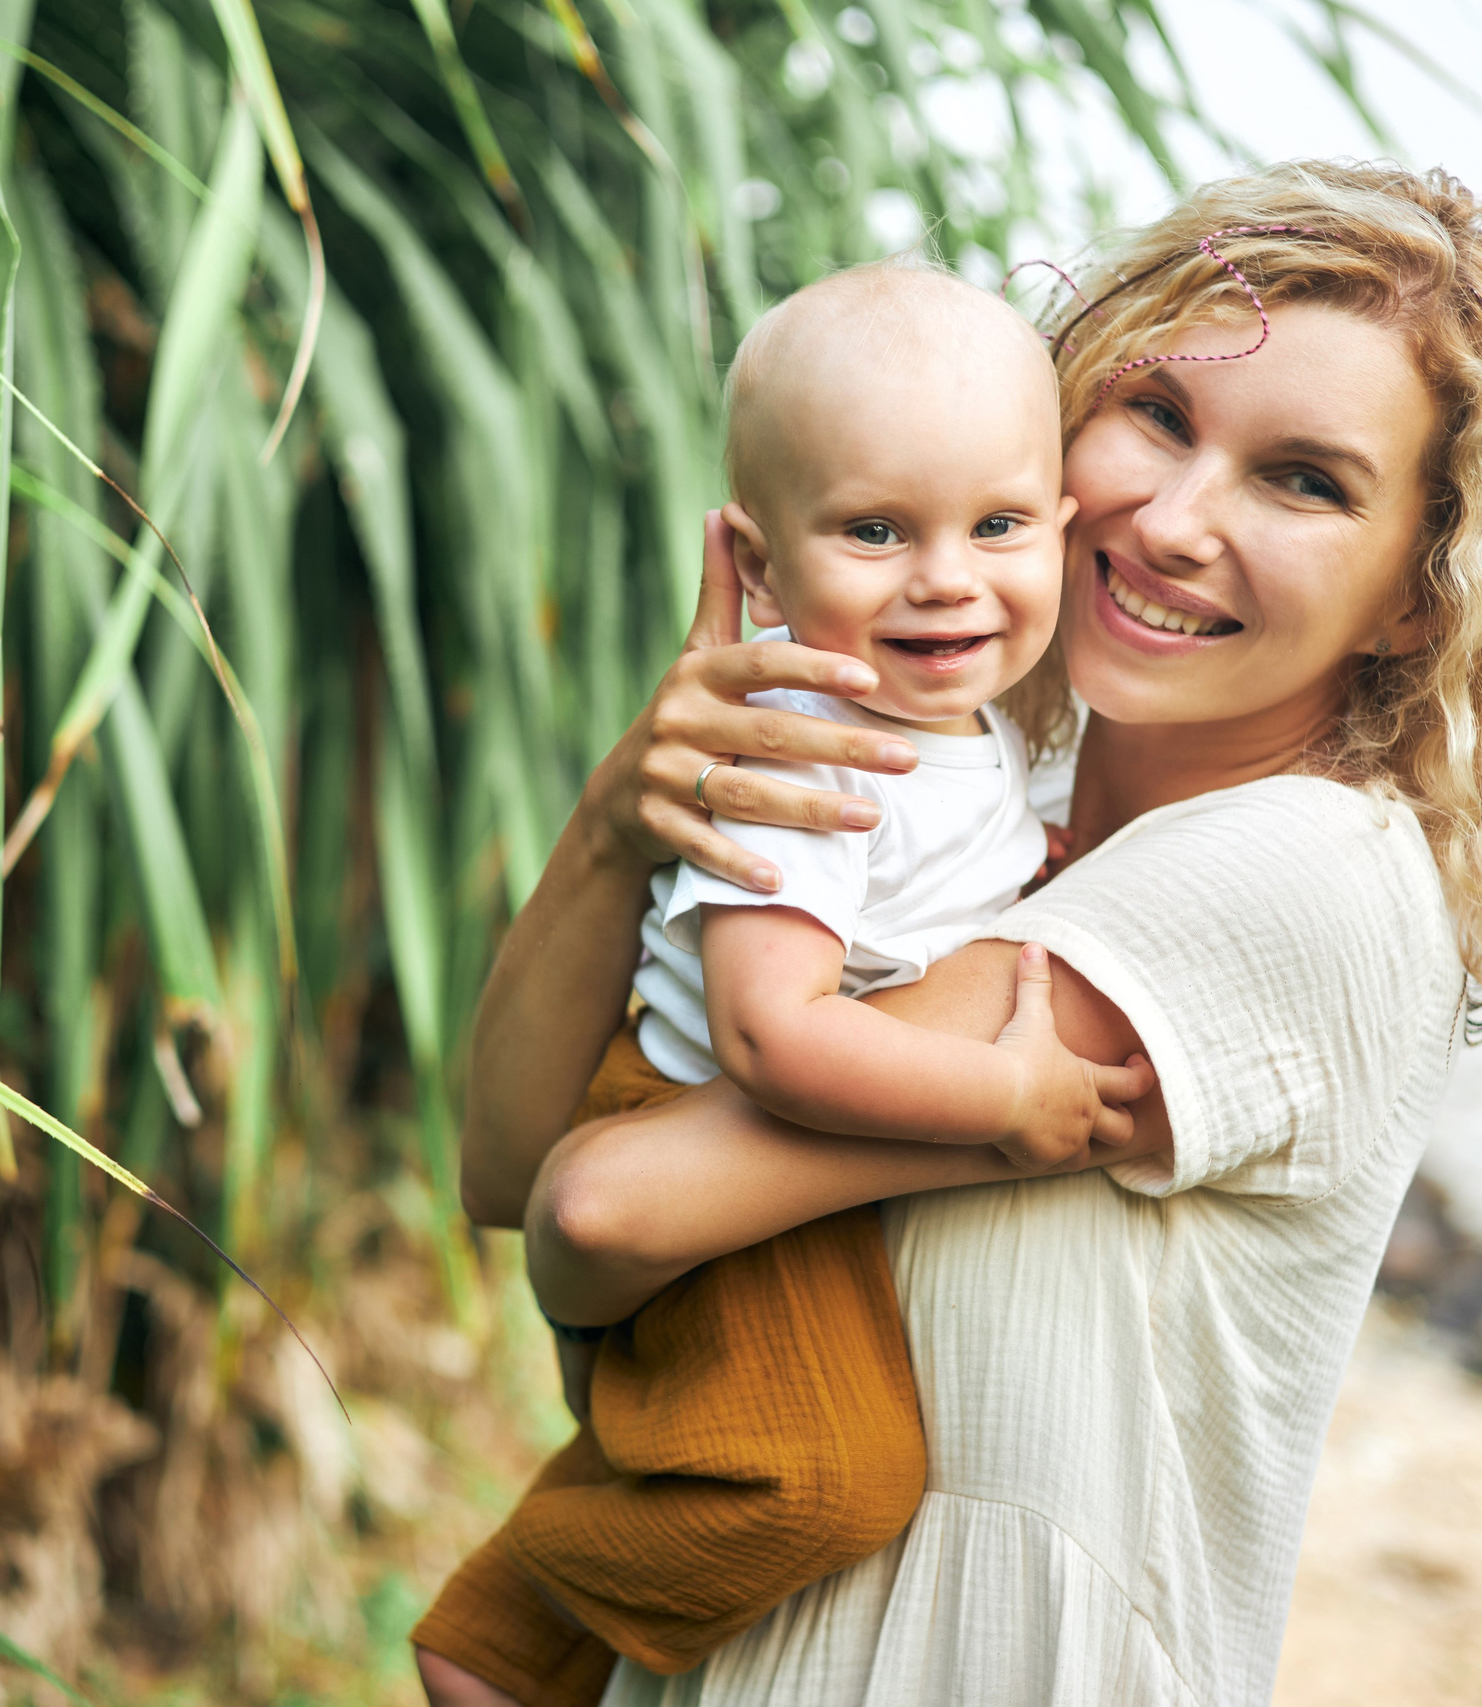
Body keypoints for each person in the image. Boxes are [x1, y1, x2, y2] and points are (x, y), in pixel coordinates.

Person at [443, 160, 1482, 1705]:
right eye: (1156, 414)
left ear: (1419, 596)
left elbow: (604, 1202)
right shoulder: (991, 826)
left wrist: (1008, 1127)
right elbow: (502, 1174)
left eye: (1305, 481)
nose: (1173, 518)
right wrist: (633, 813)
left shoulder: (1305, 873)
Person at [411, 259, 1156, 1707]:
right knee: (826, 1479)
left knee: (738, 1432)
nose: (947, 576)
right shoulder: (804, 747)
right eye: (876, 530)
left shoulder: (953, 714)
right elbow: (770, 1029)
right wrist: (1004, 1093)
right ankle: (505, 1627)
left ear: (1061, 532)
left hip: (756, 1139)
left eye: (997, 525)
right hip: (700, 1108)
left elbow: (932, 879)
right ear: (757, 564)